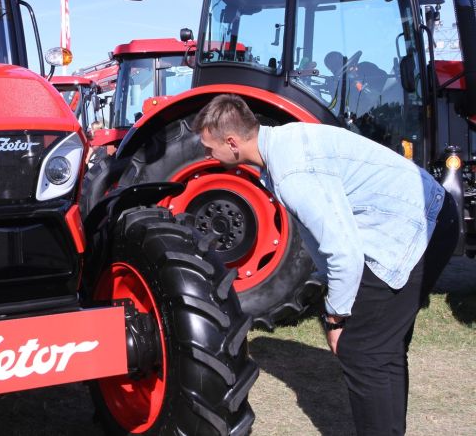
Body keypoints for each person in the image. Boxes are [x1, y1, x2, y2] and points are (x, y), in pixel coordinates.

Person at [193, 94, 459, 436]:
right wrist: (329, 287)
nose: (206, 156)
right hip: (427, 216)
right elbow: (320, 236)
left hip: (415, 225)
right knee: (381, 347)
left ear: (232, 142)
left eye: (209, 148)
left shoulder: (291, 172)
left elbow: (343, 251)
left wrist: (335, 317)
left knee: (362, 350)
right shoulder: (283, 147)